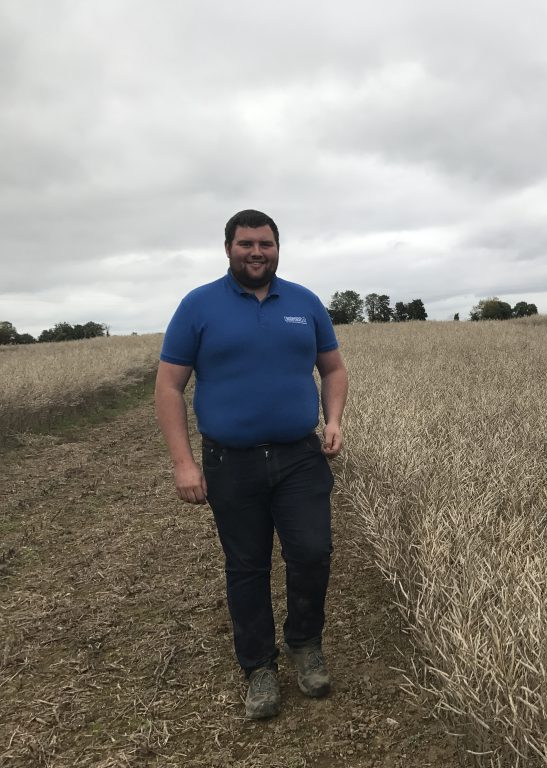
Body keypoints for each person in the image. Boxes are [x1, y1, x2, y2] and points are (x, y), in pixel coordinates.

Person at [155, 209, 348, 719]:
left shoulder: (304, 303)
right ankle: (259, 666)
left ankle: (305, 643)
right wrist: (183, 463)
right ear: (228, 249)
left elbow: (333, 368)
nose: (256, 252)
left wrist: (333, 420)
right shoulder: (198, 306)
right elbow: (169, 387)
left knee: (312, 553)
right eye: (246, 244)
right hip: (231, 462)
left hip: (300, 457)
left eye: (266, 243)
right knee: (247, 566)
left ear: (277, 248)